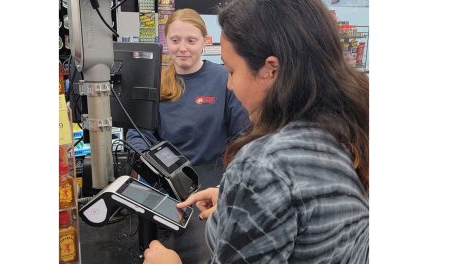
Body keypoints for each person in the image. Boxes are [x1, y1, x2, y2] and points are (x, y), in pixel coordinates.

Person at [142, 0, 369, 263]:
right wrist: (242, 200)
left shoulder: (264, 167)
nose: (227, 85)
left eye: (231, 71)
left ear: (270, 70)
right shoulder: (344, 130)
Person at [126, 8, 249, 264]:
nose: (182, 48)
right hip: (166, 183)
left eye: (191, 40)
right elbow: (138, 135)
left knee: (204, 250)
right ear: (165, 42)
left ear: (205, 41)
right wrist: (152, 172)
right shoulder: (156, 82)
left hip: (213, 180)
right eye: (175, 40)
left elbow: (243, 137)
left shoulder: (224, 79)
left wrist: (227, 185)